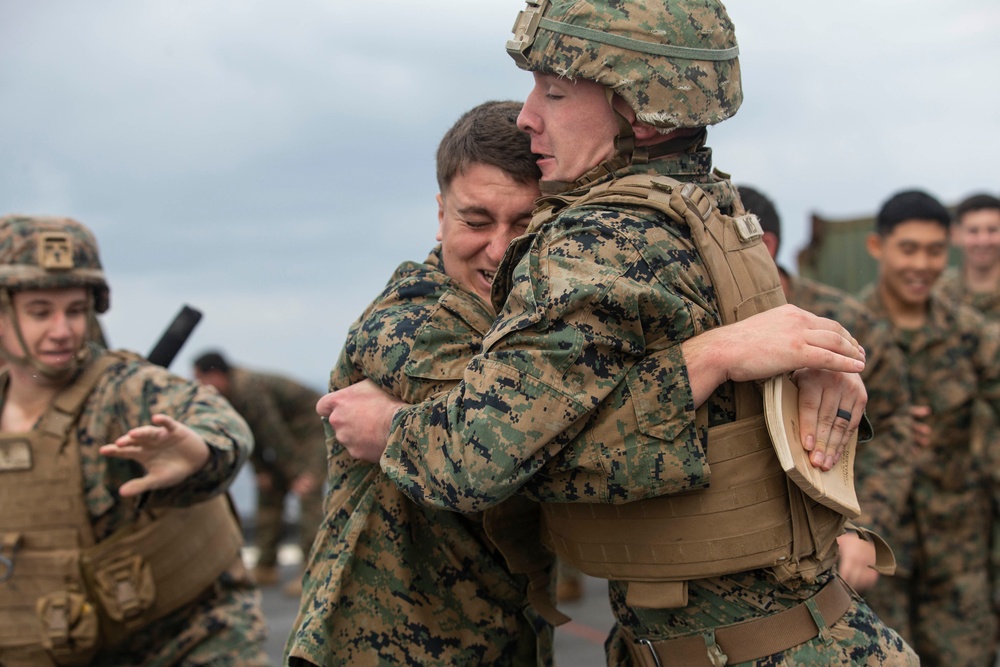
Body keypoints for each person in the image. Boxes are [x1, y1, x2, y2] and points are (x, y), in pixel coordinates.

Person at [321, 1, 916, 665]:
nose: (528, 115)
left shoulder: (596, 243)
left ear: (639, 108)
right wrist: (718, 357)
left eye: (553, 90)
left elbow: (481, 457)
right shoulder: (711, 209)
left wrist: (390, 429)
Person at [285, 100, 558, 667]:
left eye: (527, 225)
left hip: (501, 639)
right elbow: (519, 428)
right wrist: (709, 358)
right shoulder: (409, 322)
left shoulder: (530, 329)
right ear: (440, 216)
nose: (501, 250)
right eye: (476, 221)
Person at [0, 215, 267, 667]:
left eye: (76, 310)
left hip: (184, 637)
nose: (62, 330)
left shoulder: (123, 389)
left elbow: (219, 421)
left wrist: (198, 453)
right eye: (41, 311)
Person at [739, 184, 917, 593]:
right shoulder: (709, 330)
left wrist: (864, 526)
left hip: (843, 554)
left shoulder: (845, 321)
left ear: (764, 244)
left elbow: (895, 429)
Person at [858, 189, 1000, 665]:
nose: (922, 264)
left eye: (936, 250)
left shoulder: (970, 335)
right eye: (909, 248)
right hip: (876, 550)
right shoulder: (845, 335)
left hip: (958, 554)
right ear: (878, 247)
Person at [193, 351, 324, 598]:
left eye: (201, 378)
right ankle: (266, 566)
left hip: (310, 429)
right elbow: (247, 433)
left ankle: (314, 572)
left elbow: (273, 431)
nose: (200, 386)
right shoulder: (228, 395)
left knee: (308, 493)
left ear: (217, 375)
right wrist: (262, 471)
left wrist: (297, 473)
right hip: (285, 438)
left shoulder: (248, 388)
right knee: (269, 492)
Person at [936, 193, 1000, 319]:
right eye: (973, 231)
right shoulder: (938, 294)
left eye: (992, 230)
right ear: (955, 234)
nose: (983, 241)